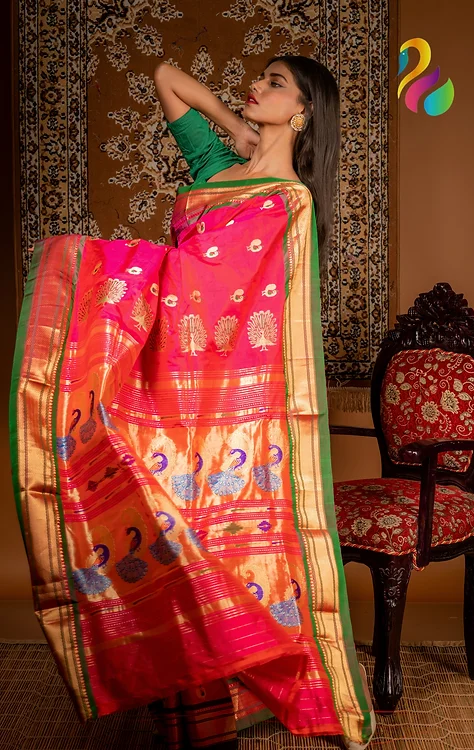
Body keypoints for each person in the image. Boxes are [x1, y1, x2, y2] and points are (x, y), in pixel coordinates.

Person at [10, 55, 375, 749]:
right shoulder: (214, 167)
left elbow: (240, 297)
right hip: (161, 387)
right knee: (166, 532)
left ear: (302, 112)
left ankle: (238, 701)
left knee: (220, 540)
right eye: (259, 77)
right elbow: (166, 75)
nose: (256, 86)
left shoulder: (291, 204)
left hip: (230, 401)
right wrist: (234, 126)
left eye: (274, 83)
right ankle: (189, 713)